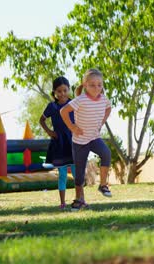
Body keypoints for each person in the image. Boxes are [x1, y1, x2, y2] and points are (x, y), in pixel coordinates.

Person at [60, 68, 112, 211]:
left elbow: (108, 108)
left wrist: (102, 122)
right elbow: (63, 111)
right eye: (92, 85)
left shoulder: (103, 99)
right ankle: (79, 199)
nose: (96, 88)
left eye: (99, 85)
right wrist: (72, 127)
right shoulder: (80, 100)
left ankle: (103, 185)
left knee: (106, 154)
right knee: (80, 172)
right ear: (85, 85)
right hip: (80, 141)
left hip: (94, 137)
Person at [39, 76, 76, 210]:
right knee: (62, 174)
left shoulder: (73, 104)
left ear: (69, 90)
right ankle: (62, 202)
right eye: (59, 91)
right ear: (54, 92)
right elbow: (41, 120)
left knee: (77, 173)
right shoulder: (52, 106)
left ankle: (79, 199)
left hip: (73, 143)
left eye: (65, 90)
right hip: (59, 143)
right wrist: (49, 132)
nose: (62, 94)